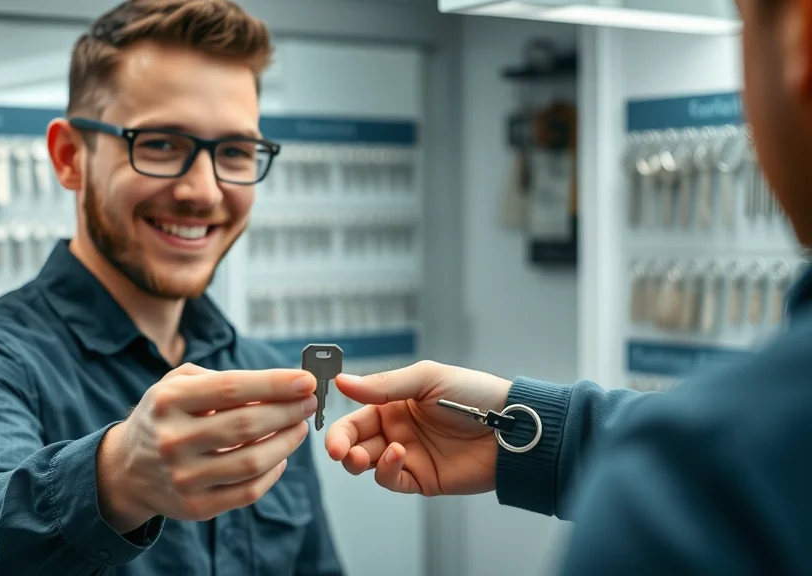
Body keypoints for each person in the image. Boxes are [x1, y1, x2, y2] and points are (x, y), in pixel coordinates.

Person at [325, 0, 812, 572]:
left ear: (801, 40)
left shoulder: (688, 492)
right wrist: (544, 431)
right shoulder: (720, 469)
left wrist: (662, 468)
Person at [0, 1, 344, 575]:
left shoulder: (261, 374)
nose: (204, 191)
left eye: (234, 152)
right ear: (70, 157)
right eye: (161, 144)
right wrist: (116, 479)